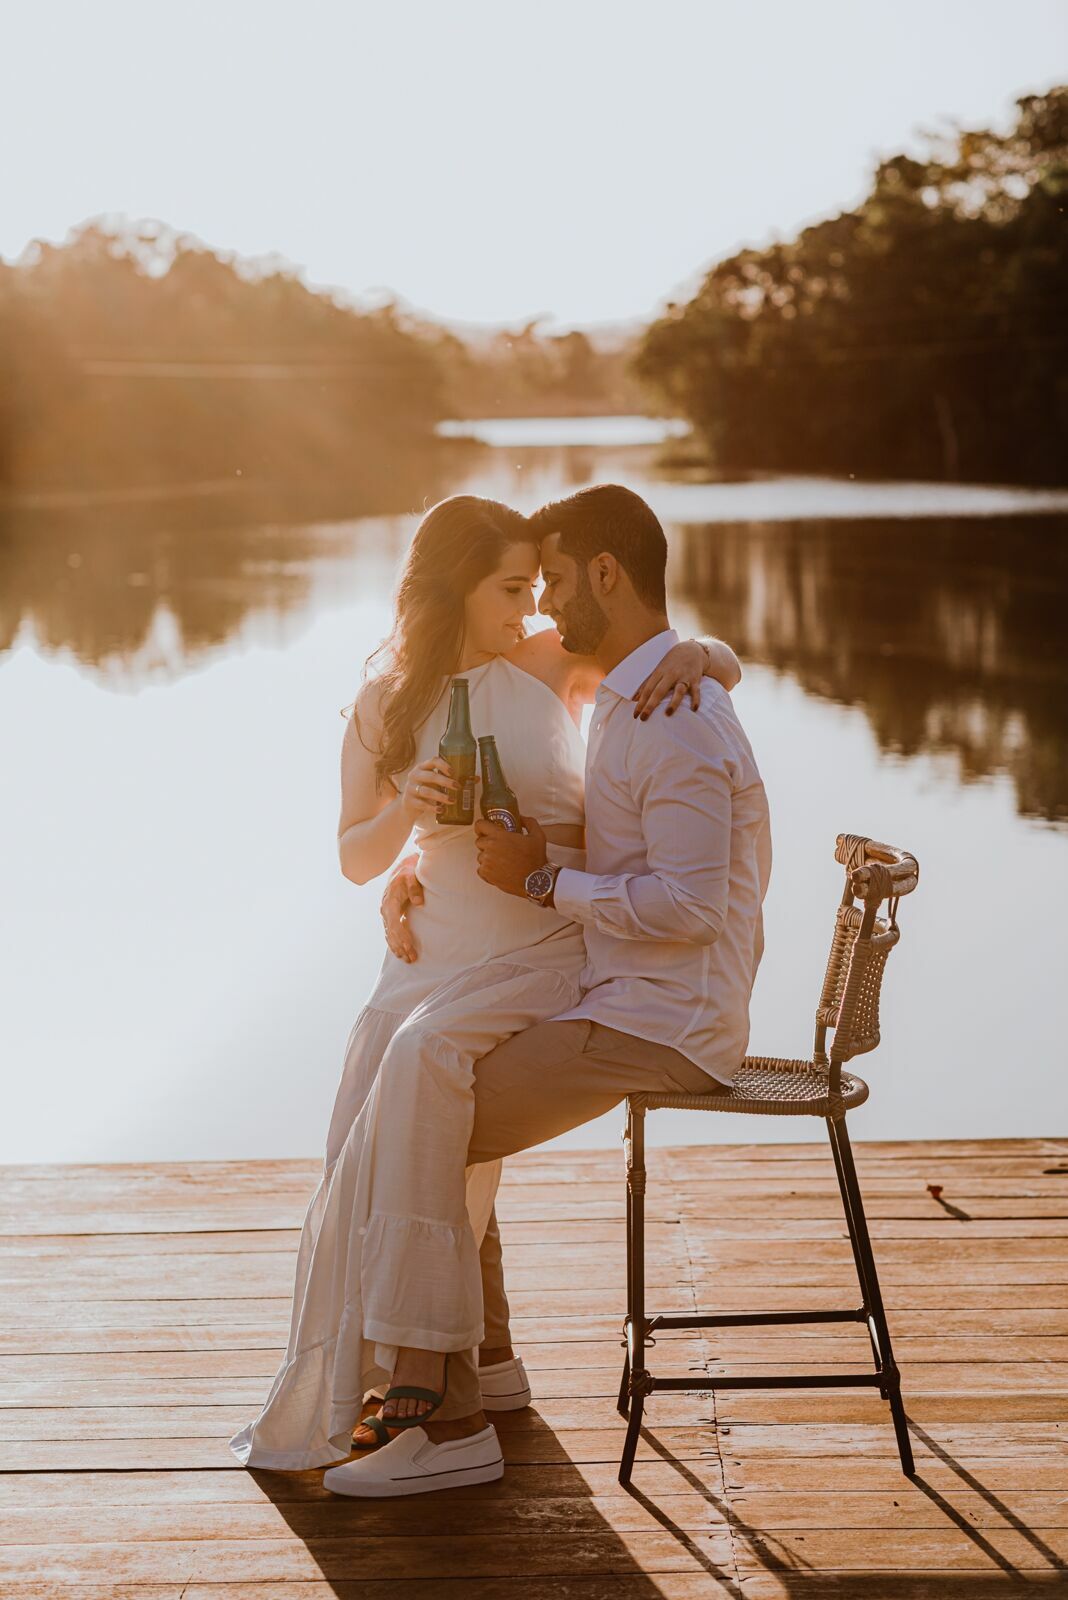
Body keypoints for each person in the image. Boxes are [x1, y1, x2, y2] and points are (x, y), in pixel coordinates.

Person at [228, 491, 740, 1470]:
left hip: (539, 947)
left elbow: (672, 650)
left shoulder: (546, 659)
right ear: (453, 590)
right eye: (509, 587)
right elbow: (350, 856)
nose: (530, 605)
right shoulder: (386, 702)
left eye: (533, 585)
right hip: (430, 950)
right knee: (361, 1141)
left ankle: (435, 1388)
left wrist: (705, 655)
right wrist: (405, 830)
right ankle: (454, 1360)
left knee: (422, 1095)